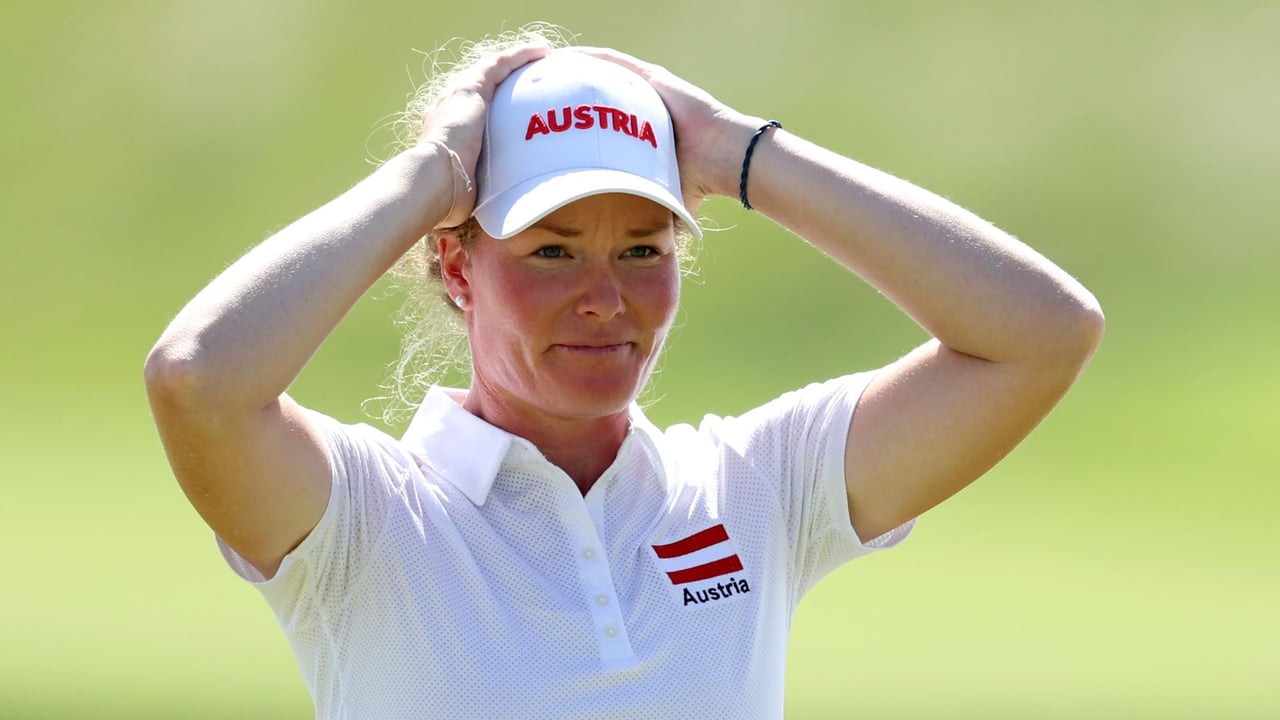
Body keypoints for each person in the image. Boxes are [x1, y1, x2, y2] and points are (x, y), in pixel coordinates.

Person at [145, 26, 1103, 720]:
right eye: (552, 253)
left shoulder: (754, 487)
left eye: (644, 250)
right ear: (454, 264)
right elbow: (199, 381)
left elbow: (1042, 331)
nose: (606, 299)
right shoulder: (362, 518)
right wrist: (434, 173)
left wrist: (738, 151)